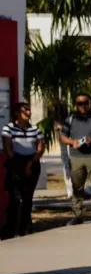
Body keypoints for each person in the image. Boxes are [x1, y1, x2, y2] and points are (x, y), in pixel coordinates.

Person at [60, 92, 91, 225]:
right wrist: (72, 142)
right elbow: (63, 136)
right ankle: (77, 215)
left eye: (85, 103)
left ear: (90, 102)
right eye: (79, 103)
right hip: (76, 158)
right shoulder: (71, 117)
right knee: (77, 188)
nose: (82, 106)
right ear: (76, 105)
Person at [2, 102, 44, 239]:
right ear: (17, 113)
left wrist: (31, 163)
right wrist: (19, 165)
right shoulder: (9, 128)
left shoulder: (35, 129)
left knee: (27, 197)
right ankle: (10, 229)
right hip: (15, 163)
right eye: (25, 110)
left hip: (32, 163)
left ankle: (25, 228)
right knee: (14, 198)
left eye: (29, 110)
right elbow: (8, 149)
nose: (28, 112)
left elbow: (40, 147)